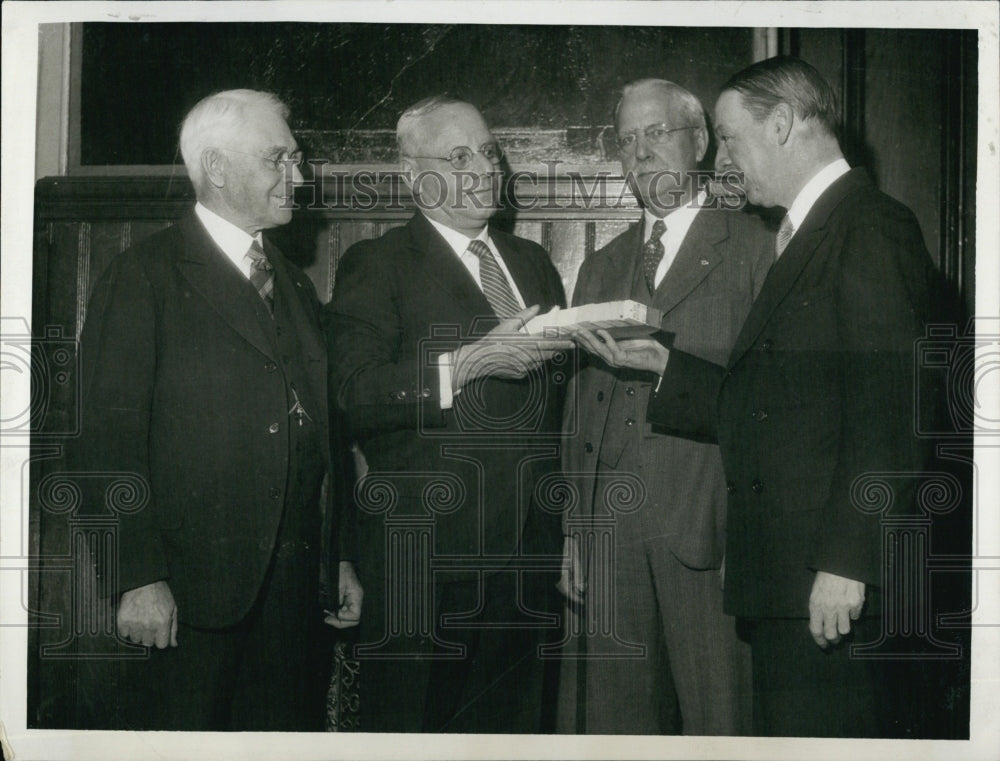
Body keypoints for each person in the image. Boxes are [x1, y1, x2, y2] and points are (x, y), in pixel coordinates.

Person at [572, 57, 937, 737]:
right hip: (787, 582)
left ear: (782, 123)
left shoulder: (866, 226)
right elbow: (773, 401)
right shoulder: (808, 232)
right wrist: (665, 368)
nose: (727, 160)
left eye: (730, 139)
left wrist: (846, 561)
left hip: (824, 581)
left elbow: (891, 413)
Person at [71, 89, 362, 731]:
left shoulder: (292, 281)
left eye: (298, 158)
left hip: (291, 598)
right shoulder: (141, 276)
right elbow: (104, 442)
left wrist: (333, 557)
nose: (300, 175)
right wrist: (137, 578)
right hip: (188, 599)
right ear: (219, 168)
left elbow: (322, 439)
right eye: (279, 158)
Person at [324, 95, 571, 733]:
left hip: (528, 558)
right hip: (424, 561)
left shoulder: (533, 264)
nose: (483, 168)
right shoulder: (376, 265)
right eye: (458, 155)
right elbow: (352, 393)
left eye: (488, 151)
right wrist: (463, 365)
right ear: (414, 175)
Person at [557, 79, 772, 735]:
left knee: (722, 720)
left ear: (700, 141)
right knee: (616, 726)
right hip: (609, 534)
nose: (640, 153)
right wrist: (574, 525)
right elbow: (580, 405)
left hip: (710, 530)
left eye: (656, 134)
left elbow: (772, 401)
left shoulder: (756, 245)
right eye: (627, 140)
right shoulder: (601, 265)